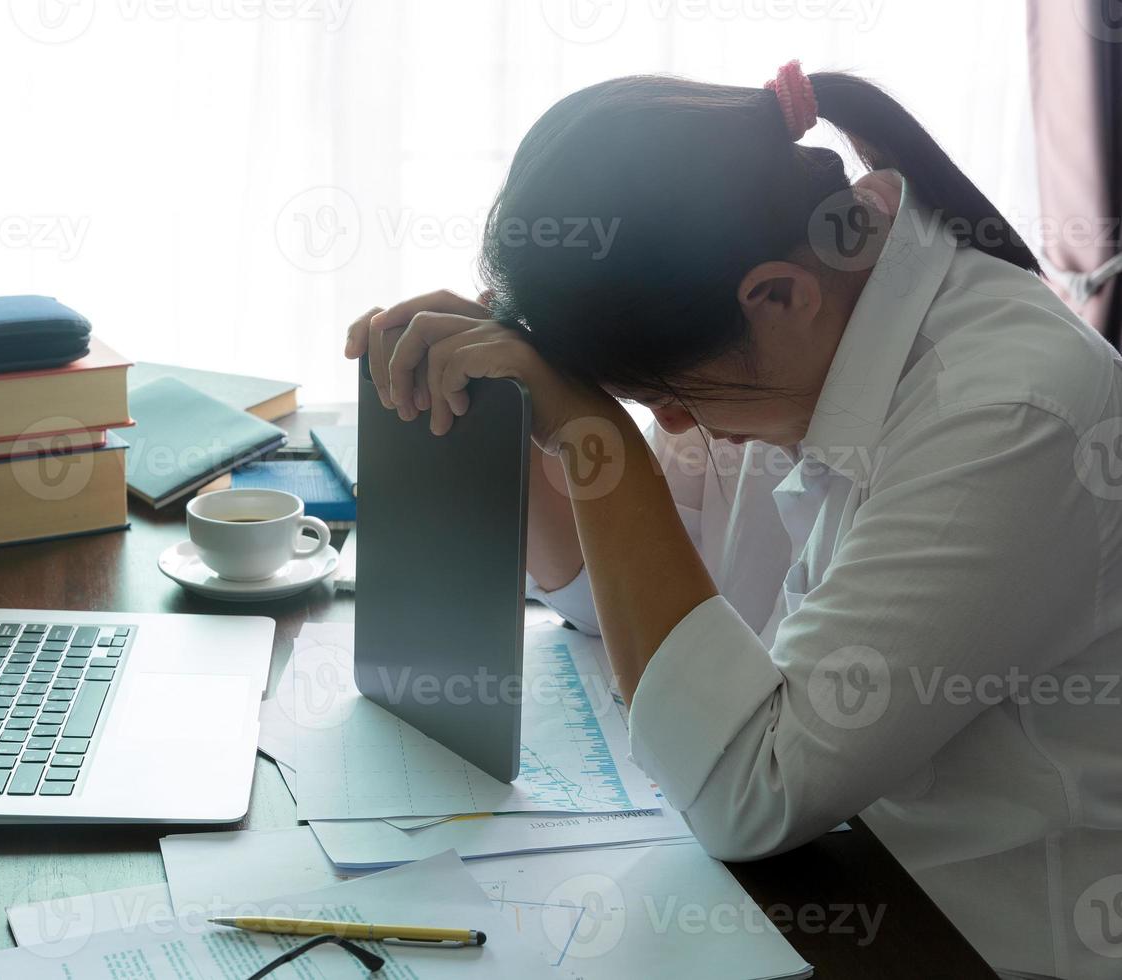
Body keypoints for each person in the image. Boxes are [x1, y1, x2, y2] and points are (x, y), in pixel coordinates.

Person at [344, 61, 1122, 980]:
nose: (672, 422)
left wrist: (600, 438)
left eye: (666, 397)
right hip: (829, 882)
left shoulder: (1007, 417)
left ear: (778, 295)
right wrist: (511, 411)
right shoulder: (810, 323)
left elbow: (749, 791)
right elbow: (621, 601)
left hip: (966, 937)